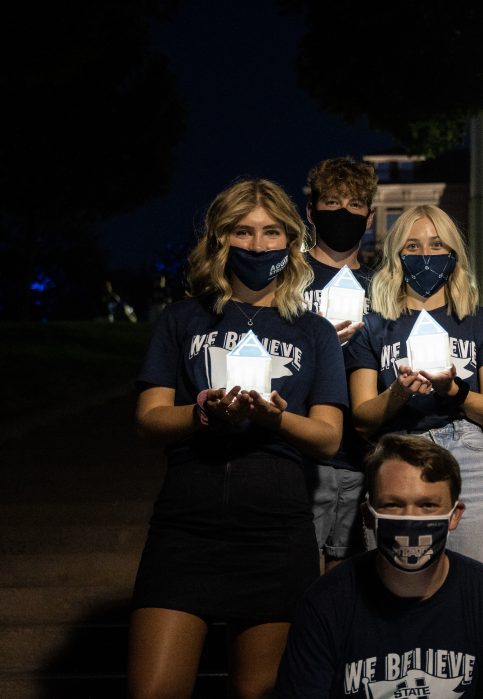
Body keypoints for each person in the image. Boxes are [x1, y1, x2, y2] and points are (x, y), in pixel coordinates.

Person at [129, 179, 348, 699]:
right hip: (185, 527)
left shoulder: (314, 331)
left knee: (261, 692)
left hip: (275, 533)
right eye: (241, 231)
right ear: (219, 239)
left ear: (291, 242)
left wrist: (275, 420)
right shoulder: (182, 319)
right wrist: (202, 412)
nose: (257, 244)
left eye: (272, 231)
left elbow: (328, 437)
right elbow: (148, 420)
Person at [273, 434, 483, 699]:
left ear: (455, 515)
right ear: (368, 516)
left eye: (427, 505)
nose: (411, 519)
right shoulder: (326, 601)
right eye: (393, 505)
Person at [344, 205, 483, 572]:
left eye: (437, 245)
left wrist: (453, 391)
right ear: (396, 254)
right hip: (396, 451)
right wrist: (400, 391)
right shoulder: (373, 326)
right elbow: (362, 419)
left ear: (453, 253)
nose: (425, 256)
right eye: (413, 246)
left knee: (479, 585)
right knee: (397, 585)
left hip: (468, 453)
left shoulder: (480, 321)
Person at [301, 157, 378, 571]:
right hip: (303, 454)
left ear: (369, 218)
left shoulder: (384, 285)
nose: (343, 213)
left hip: (363, 455)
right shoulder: (286, 279)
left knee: (349, 581)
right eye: (331, 202)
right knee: (297, 579)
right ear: (311, 212)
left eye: (354, 205)